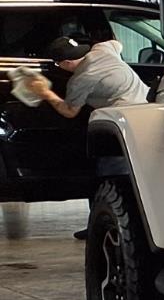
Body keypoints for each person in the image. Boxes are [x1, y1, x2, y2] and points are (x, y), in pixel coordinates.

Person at [35, 38, 151, 239]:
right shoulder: (104, 49)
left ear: (66, 63)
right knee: (131, 175)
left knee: (110, 175)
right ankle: (102, 222)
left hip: (121, 124)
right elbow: (117, 43)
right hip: (147, 114)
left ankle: (111, 225)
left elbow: (69, 111)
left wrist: (45, 93)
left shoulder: (81, 79)